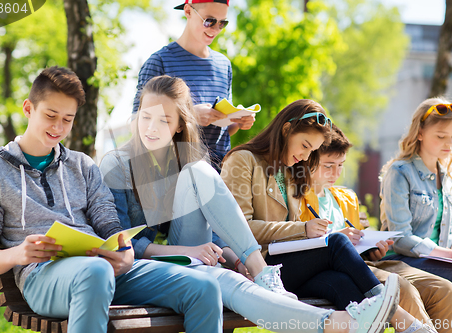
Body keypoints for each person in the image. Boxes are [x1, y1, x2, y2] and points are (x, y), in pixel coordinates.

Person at [101, 75, 402, 333]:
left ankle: (336, 319)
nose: (151, 128)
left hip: (190, 257)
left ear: (180, 125)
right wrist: (186, 251)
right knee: (223, 282)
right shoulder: (118, 163)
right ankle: (337, 320)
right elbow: (126, 243)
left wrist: (236, 260)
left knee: (230, 275)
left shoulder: (185, 163)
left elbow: (216, 230)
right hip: (144, 265)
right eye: (146, 116)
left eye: (164, 120)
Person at [0, 66, 237, 333]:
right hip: (43, 276)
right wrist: (19, 253)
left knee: (203, 288)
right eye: (50, 115)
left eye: (67, 119)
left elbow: (109, 224)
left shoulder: (82, 166)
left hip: (103, 267)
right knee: (95, 272)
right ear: (28, 109)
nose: (58, 127)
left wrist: (125, 251)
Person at [221, 99, 435, 333]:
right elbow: (240, 228)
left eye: (311, 150)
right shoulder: (242, 160)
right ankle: (396, 312)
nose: (304, 156)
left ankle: (389, 312)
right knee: (336, 241)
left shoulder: (291, 171)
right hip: (260, 268)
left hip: (290, 266)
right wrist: (303, 229)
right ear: (285, 130)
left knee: (343, 286)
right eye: (304, 145)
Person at [303, 124, 452, 333]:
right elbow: (302, 246)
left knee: (444, 289)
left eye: (341, 165)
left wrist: (373, 248)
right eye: (328, 165)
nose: (336, 173)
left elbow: (359, 241)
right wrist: (338, 238)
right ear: (309, 161)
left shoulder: (345, 197)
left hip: (366, 264)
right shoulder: (299, 199)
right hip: (338, 270)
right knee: (403, 290)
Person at [133, 0, 256, 171]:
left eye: (222, 23)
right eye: (209, 21)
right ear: (188, 11)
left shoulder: (224, 65)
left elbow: (221, 133)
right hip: (174, 174)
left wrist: (238, 121)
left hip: (220, 175)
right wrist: (188, 116)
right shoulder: (159, 62)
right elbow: (137, 124)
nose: (215, 29)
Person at [380, 97, 452, 332]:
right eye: (441, 136)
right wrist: (451, 253)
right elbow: (400, 238)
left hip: (435, 260)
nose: (449, 143)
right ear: (419, 133)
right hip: (400, 261)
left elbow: (440, 233)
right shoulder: (399, 173)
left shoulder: (447, 177)